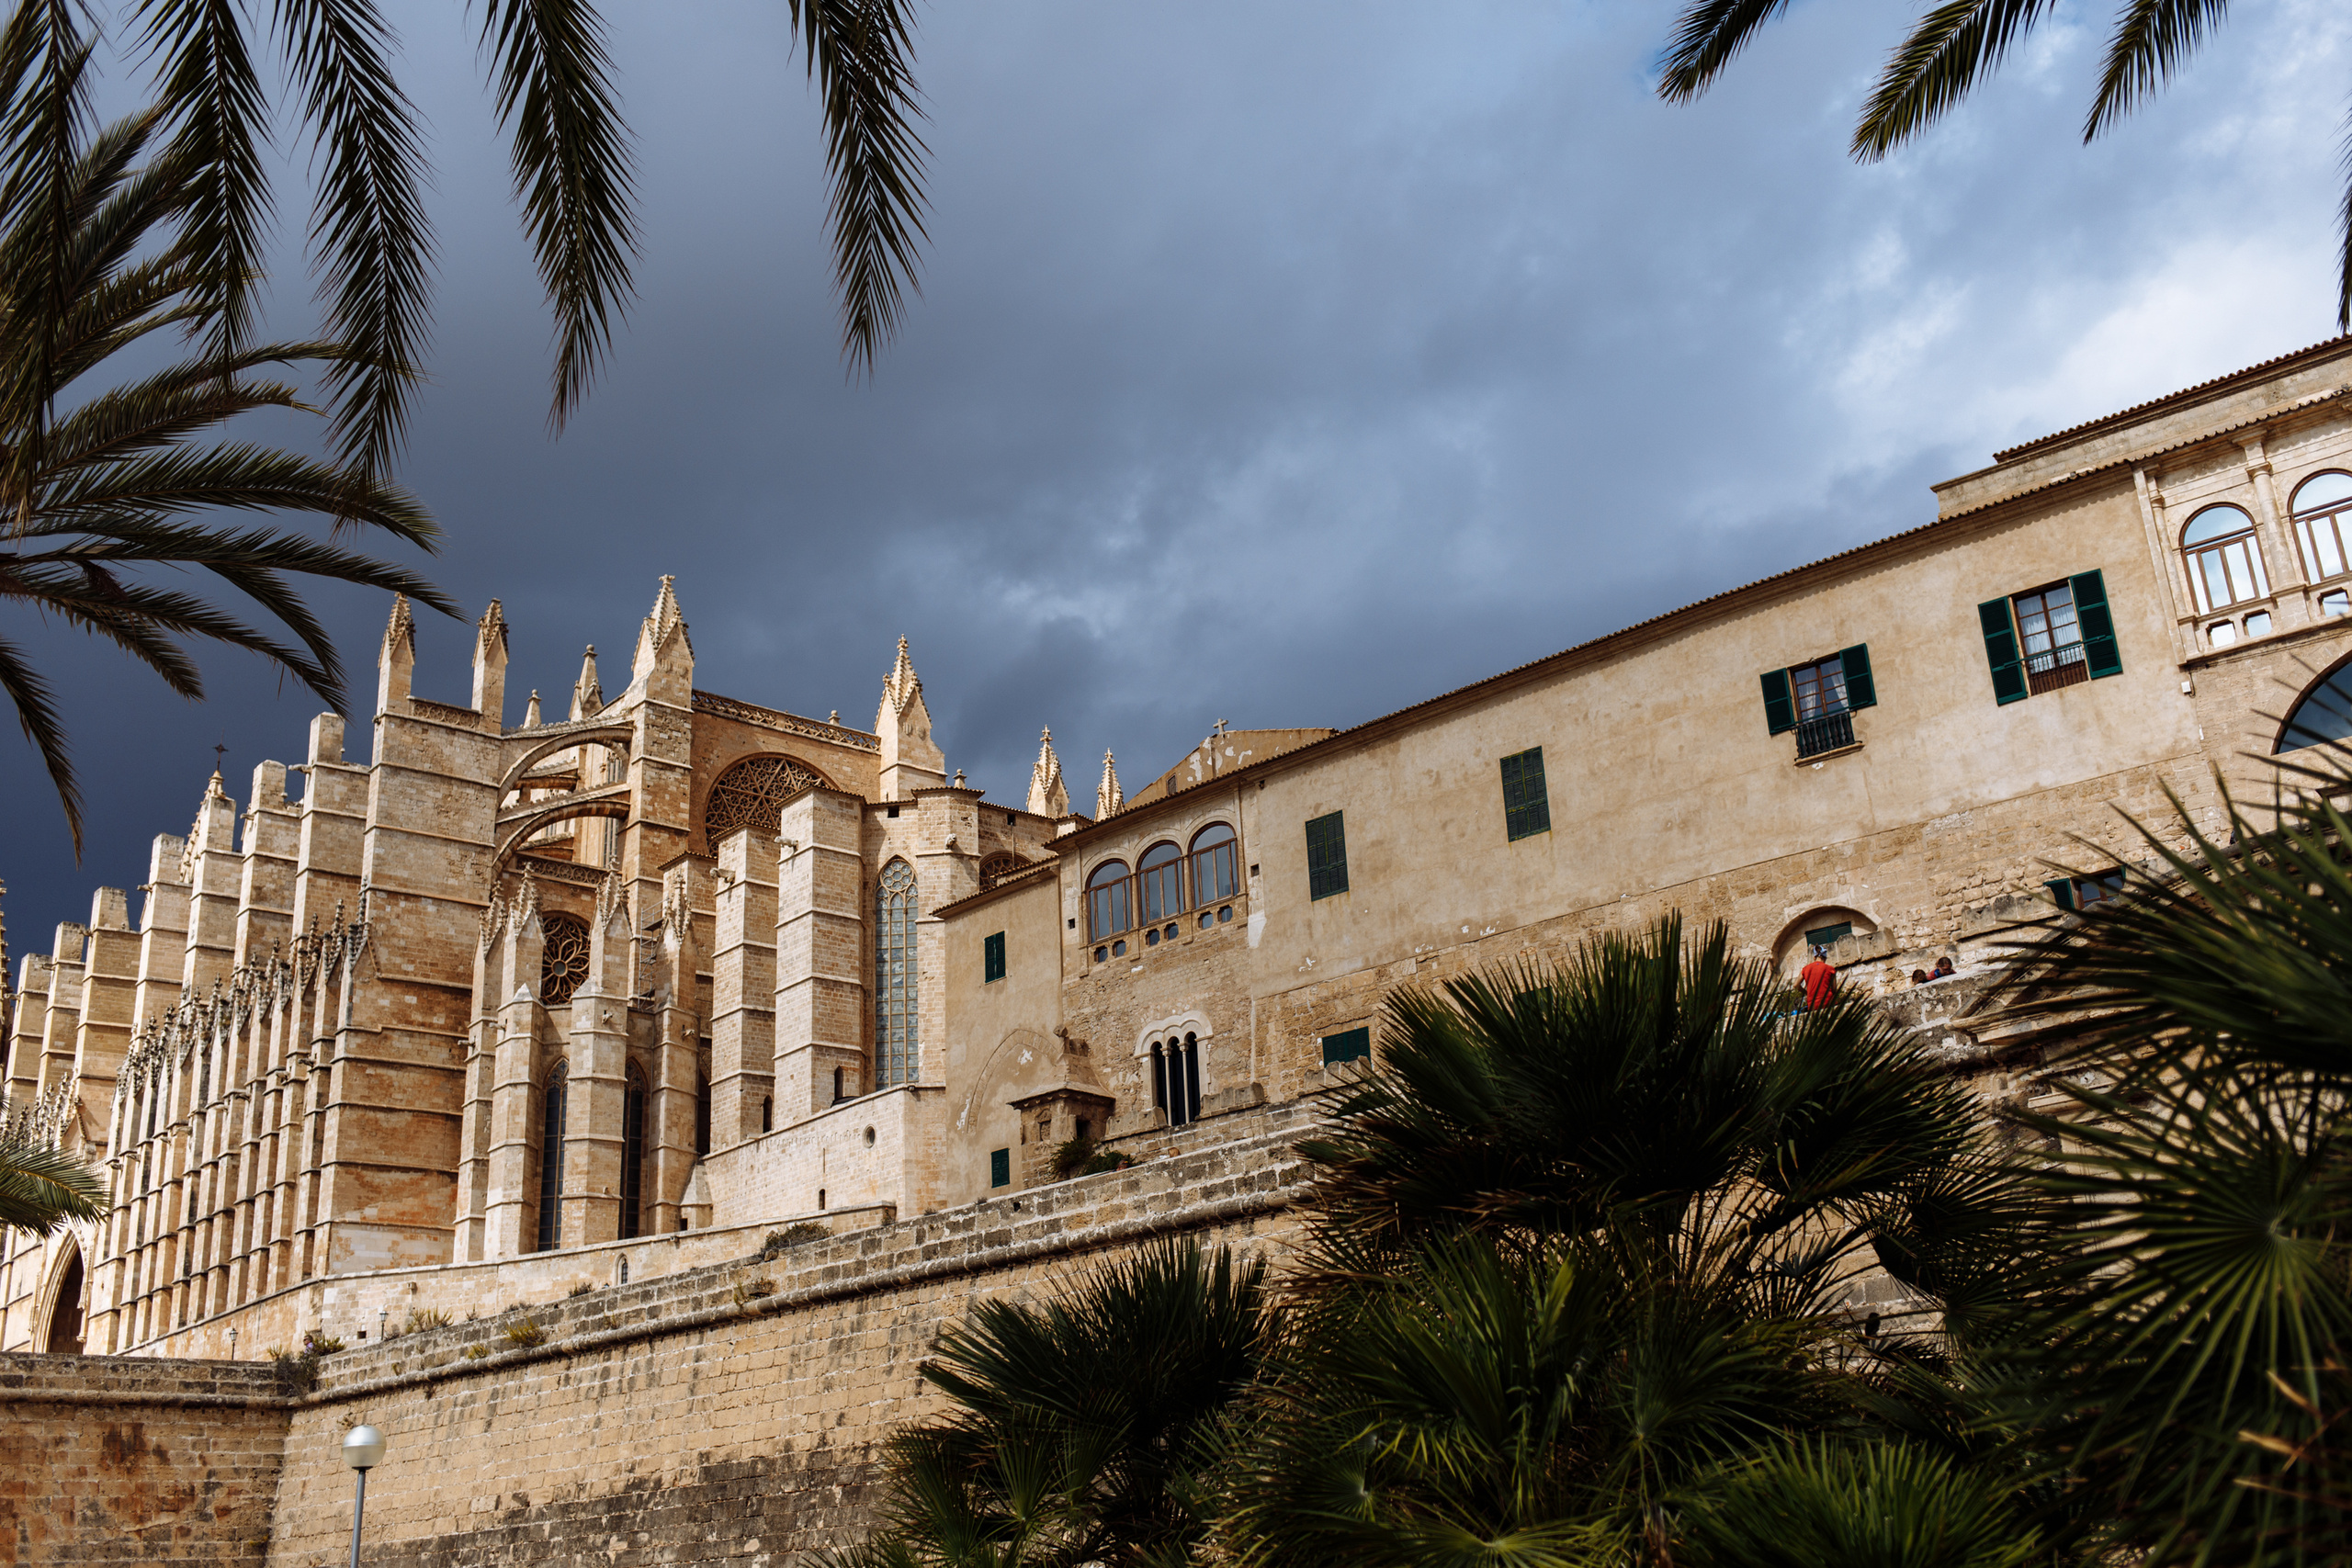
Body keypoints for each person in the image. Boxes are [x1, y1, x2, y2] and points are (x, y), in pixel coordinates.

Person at [1801, 945, 1838, 1010]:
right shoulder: (1830, 969)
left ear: (1814, 958)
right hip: (1828, 1001)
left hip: (1813, 1004)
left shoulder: (1805, 969)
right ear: (1825, 958)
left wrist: (1807, 993)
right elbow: (1834, 989)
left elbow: (1795, 985)